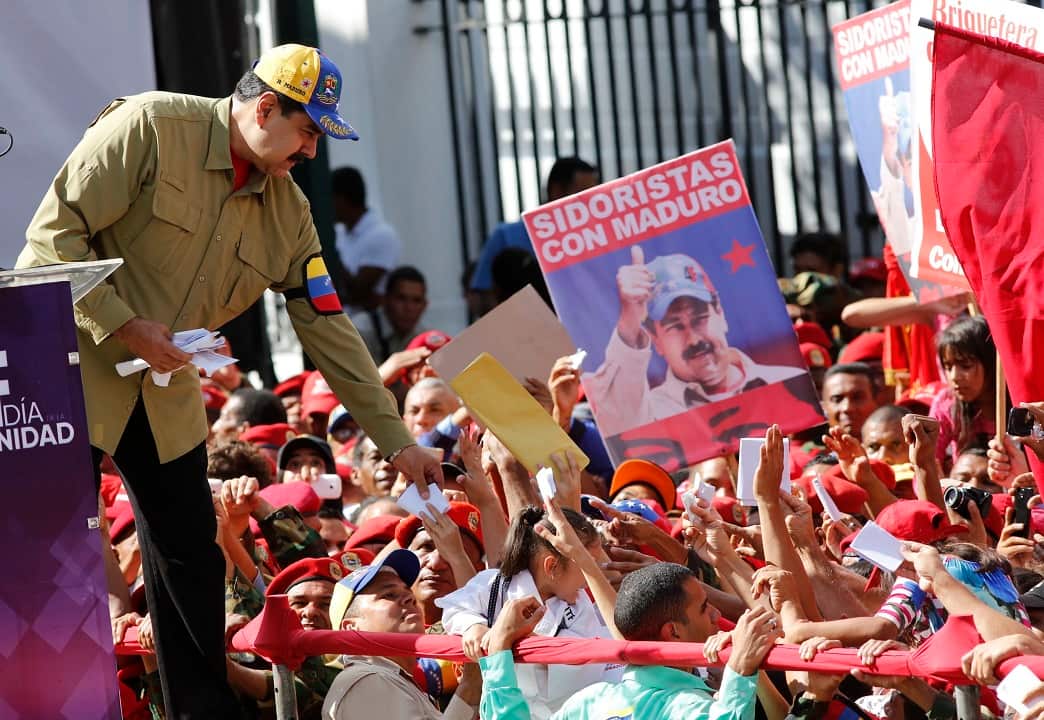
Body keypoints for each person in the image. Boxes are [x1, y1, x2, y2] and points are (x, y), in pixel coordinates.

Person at [16, 43, 442, 718]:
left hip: (165, 398)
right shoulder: (150, 126)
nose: (309, 154)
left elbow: (328, 328)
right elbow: (48, 243)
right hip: (69, 377)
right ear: (265, 108)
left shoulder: (291, 214)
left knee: (191, 556)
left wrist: (398, 441)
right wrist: (128, 326)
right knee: (35, 550)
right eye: (305, 133)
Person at [478, 563, 779, 720]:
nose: (716, 614)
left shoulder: (588, 702)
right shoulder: (684, 708)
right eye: (703, 607)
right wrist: (739, 672)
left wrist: (498, 652)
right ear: (673, 632)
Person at [585, 247, 804, 436]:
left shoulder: (789, 383)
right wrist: (629, 321)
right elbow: (620, 426)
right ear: (656, 340)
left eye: (700, 318)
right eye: (675, 326)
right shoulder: (649, 416)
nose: (694, 339)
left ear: (721, 313)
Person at [323, 550, 482, 719]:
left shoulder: (388, 678)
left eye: (408, 592)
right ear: (352, 628)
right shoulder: (367, 679)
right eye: (389, 595)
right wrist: (469, 686)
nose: (409, 598)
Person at [471, 157, 600, 314]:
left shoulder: (594, 238)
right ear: (557, 190)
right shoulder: (506, 236)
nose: (589, 202)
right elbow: (481, 297)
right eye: (583, 194)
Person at [330, 166, 402, 316]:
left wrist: (328, 250)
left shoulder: (382, 235)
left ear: (342, 199)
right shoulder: (339, 232)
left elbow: (357, 292)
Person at [930, 316, 998, 472]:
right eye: (948, 367)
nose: (954, 376)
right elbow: (929, 462)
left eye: (965, 366)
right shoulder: (946, 403)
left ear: (991, 362)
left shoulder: (1020, 403)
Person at [355, 266, 430, 363]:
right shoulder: (360, 331)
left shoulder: (424, 336)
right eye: (401, 298)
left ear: (425, 305)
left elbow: (450, 372)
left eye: (417, 301)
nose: (409, 308)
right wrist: (395, 364)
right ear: (385, 300)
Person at [211, 388, 288, 446]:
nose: (214, 428)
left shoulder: (237, 465)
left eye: (225, 418)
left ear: (245, 429)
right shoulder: (289, 462)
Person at [821, 362, 880, 438]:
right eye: (837, 399)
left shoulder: (897, 448)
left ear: (877, 401)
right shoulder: (805, 450)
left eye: (857, 398)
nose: (847, 408)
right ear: (824, 407)